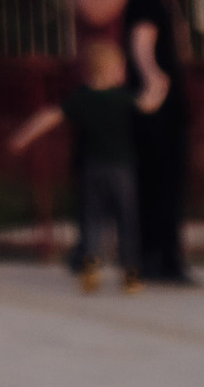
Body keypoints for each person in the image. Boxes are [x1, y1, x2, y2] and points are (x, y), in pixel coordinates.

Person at [11, 35, 142, 293]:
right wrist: (159, 86)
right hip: (121, 169)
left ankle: (91, 265)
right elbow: (148, 105)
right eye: (121, 68)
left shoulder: (80, 98)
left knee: (92, 219)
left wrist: (22, 137)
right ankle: (130, 272)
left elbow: (51, 115)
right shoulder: (123, 98)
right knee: (126, 220)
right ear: (112, 70)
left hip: (91, 169)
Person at [127, 0, 196, 286]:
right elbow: (141, 40)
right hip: (159, 109)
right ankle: (159, 259)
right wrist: (153, 78)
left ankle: (163, 257)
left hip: (166, 107)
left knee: (164, 183)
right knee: (161, 182)